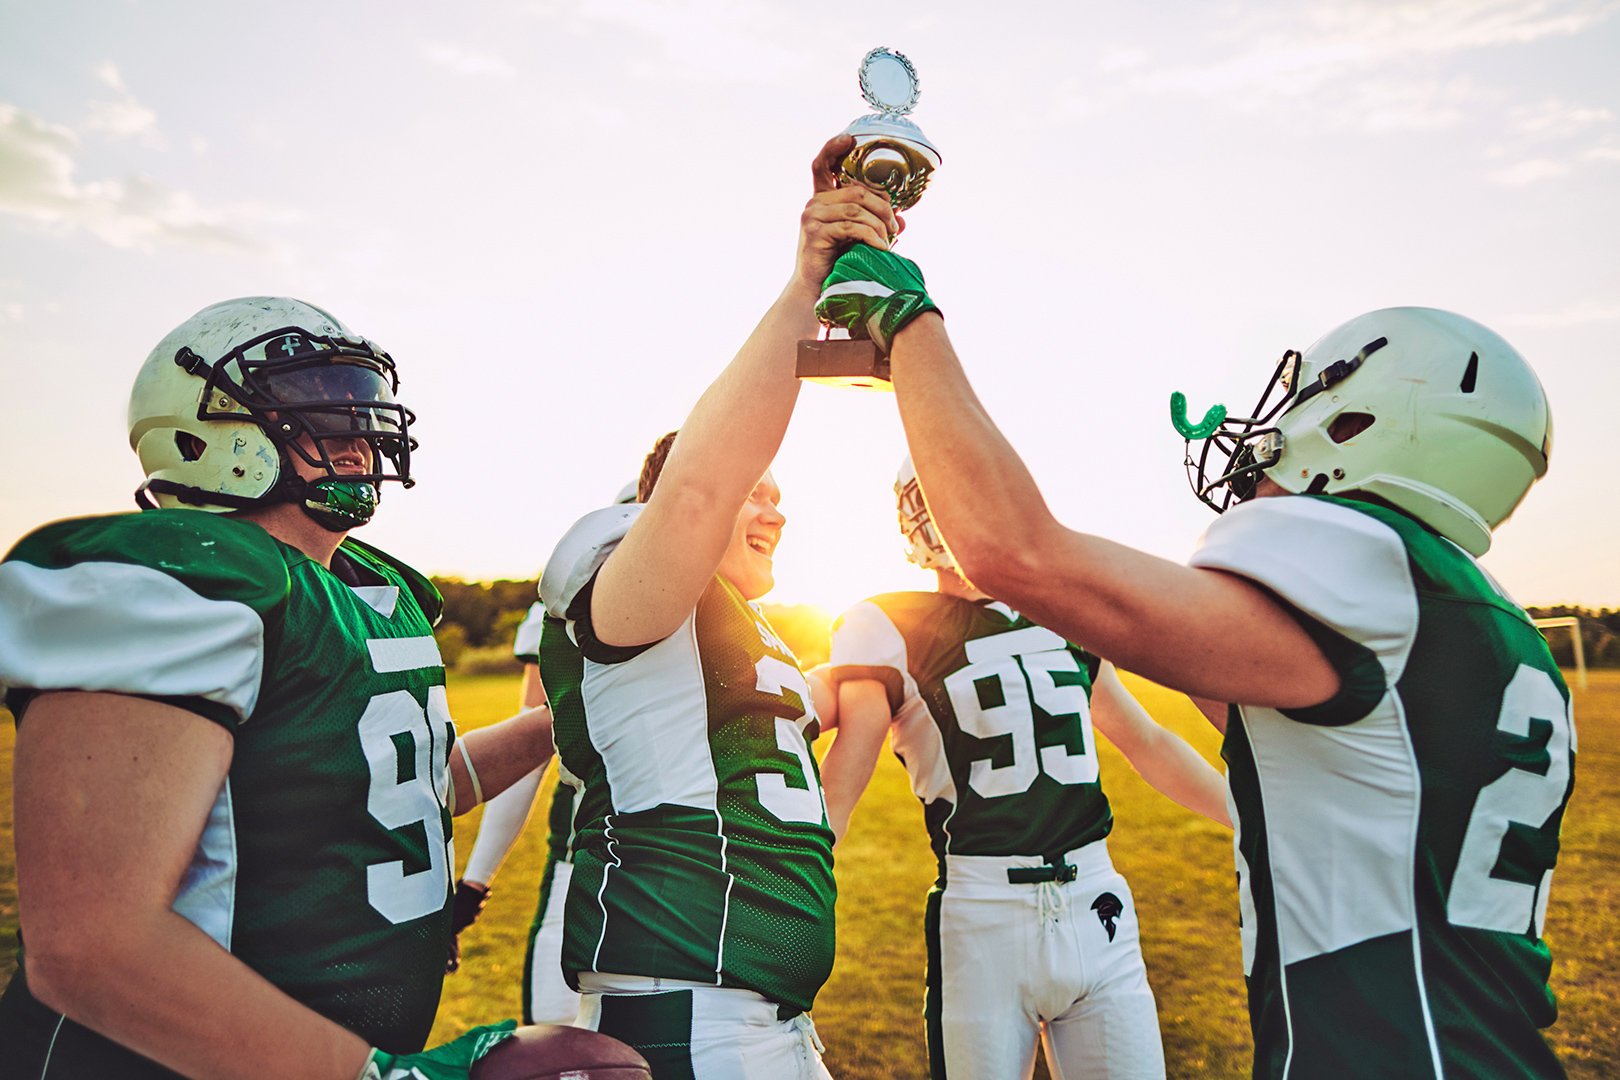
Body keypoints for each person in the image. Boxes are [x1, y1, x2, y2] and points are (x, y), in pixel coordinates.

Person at [819, 253, 1572, 1079]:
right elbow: (1178, 666)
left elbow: (1016, 551)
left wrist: (910, 326)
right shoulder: (1486, 621)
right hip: (1481, 1044)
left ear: (1362, 426)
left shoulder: (1370, 565)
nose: (1271, 427)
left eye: (1310, 398)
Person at [0, 297, 556, 1080]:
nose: (360, 435)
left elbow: (407, 788)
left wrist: (571, 716)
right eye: (324, 409)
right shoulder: (184, 575)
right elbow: (92, 946)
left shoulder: (376, 590)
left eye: (365, 410)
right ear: (205, 434)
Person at [533, 135, 896, 1080]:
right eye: (754, 485)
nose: (771, 503)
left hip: (760, 1019)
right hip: (688, 1010)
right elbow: (698, 491)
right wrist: (809, 284)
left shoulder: (743, 627)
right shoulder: (630, 578)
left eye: (780, 490)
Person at [817, 455, 1229, 1080]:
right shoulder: (885, 623)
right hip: (982, 912)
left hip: (1097, 899)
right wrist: (800, 866)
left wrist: (1252, 816)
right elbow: (851, 763)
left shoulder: (1061, 611)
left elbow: (1143, 739)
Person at [446, 481, 638, 1024]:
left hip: (688, 866)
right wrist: (476, 882)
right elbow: (538, 743)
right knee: (562, 1037)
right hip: (588, 856)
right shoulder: (576, 607)